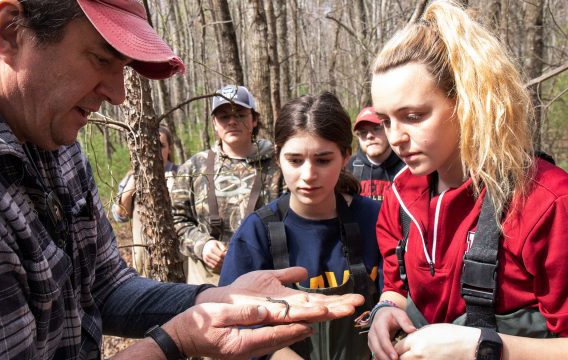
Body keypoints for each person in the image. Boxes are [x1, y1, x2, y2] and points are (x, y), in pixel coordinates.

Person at [0, 1, 365, 359]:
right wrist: (175, 341)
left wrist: (211, 301)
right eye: (102, 58)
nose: (119, 94)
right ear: (9, 32)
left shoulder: (50, 129)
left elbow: (106, 286)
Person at [366, 1, 568, 360]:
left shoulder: (545, 202)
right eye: (385, 120)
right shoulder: (400, 195)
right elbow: (395, 285)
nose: (395, 137)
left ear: (468, 103)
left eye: (413, 116)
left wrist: (485, 347)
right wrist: (385, 310)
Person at [220, 93, 382, 360]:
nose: (308, 175)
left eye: (323, 160)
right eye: (295, 161)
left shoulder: (375, 219)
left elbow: (399, 297)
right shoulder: (258, 233)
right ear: (278, 157)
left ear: (345, 157)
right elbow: (231, 319)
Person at [172, 84, 284, 285]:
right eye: (224, 117)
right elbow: (176, 219)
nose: (232, 121)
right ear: (215, 124)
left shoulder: (280, 164)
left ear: (254, 119)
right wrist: (202, 245)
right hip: (210, 281)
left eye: (240, 114)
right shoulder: (193, 167)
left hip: (267, 276)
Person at [112, 126, 180, 274]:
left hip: (178, 260)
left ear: (169, 149)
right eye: (150, 145)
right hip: (145, 264)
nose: (154, 150)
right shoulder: (132, 177)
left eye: (160, 145)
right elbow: (119, 215)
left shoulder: (181, 174)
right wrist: (134, 183)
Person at [346, 106, 404, 202]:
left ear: (388, 129)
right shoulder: (348, 168)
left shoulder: (406, 167)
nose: (369, 136)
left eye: (376, 128)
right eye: (363, 132)